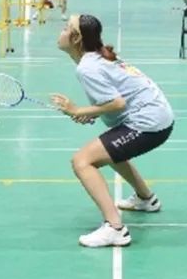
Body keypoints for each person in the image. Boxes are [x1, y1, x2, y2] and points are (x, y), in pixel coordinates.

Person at [51, 14, 175, 248]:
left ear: (76, 39)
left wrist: (78, 110)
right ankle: (146, 199)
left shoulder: (87, 67)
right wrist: (91, 113)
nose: (61, 31)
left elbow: (118, 103)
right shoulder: (96, 59)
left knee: (82, 161)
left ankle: (115, 229)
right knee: (108, 150)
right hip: (158, 115)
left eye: (66, 28)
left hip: (148, 122)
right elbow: (117, 98)